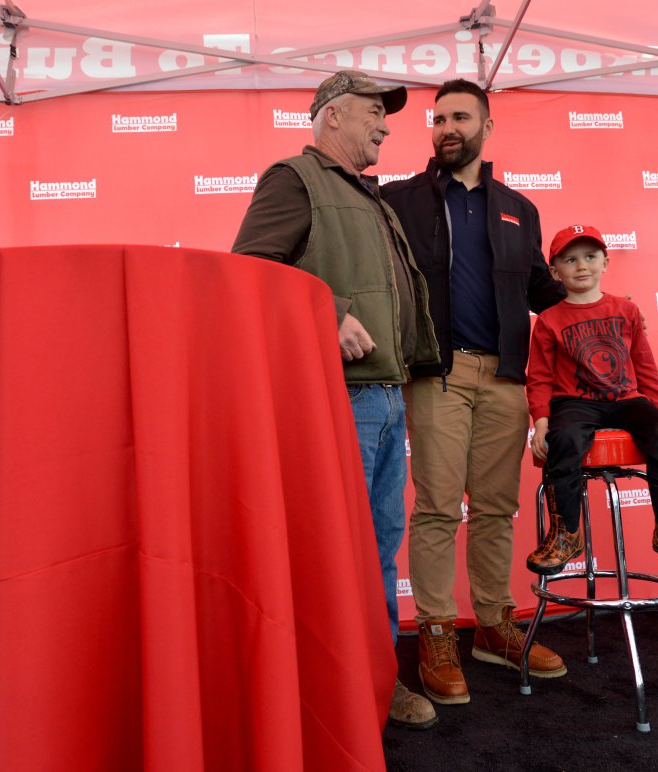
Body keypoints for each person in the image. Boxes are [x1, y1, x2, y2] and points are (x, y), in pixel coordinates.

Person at [232, 71, 442, 729]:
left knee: (376, 548)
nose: (385, 125)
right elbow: (247, 272)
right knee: (331, 549)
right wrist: (327, 313)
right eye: (374, 113)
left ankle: (373, 682)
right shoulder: (294, 178)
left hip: (383, 398)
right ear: (332, 117)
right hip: (336, 400)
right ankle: (324, 686)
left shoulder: (366, 195)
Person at [382, 79, 567, 707]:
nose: (446, 128)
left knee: (495, 509)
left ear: (487, 128)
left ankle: (493, 624)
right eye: (438, 119)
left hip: (507, 379)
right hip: (439, 373)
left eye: (460, 117)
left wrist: (597, 299)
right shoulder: (398, 199)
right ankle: (435, 630)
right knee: (437, 506)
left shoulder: (519, 207)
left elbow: (542, 291)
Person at [525, 224, 658, 575]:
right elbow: (539, 377)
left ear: (606, 262)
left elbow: (645, 366)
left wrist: (657, 418)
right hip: (574, 402)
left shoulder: (626, 311)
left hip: (626, 400)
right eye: (570, 260)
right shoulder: (548, 320)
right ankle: (566, 534)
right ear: (555, 272)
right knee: (564, 439)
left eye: (590, 257)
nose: (582, 266)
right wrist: (541, 424)